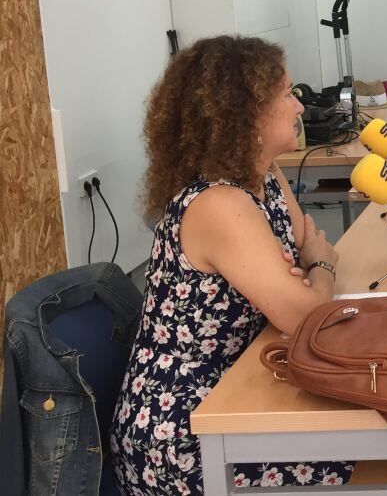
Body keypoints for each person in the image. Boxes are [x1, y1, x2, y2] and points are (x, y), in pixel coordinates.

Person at [110, 35, 353, 492]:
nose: (299, 107)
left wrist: (307, 273)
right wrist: (319, 271)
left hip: (239, 386)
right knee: (348, 461)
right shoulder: (217, 204)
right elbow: (304, 311)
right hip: (186, 433)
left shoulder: (263, 173)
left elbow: (307, 242)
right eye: (286, 94)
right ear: (246, 115)